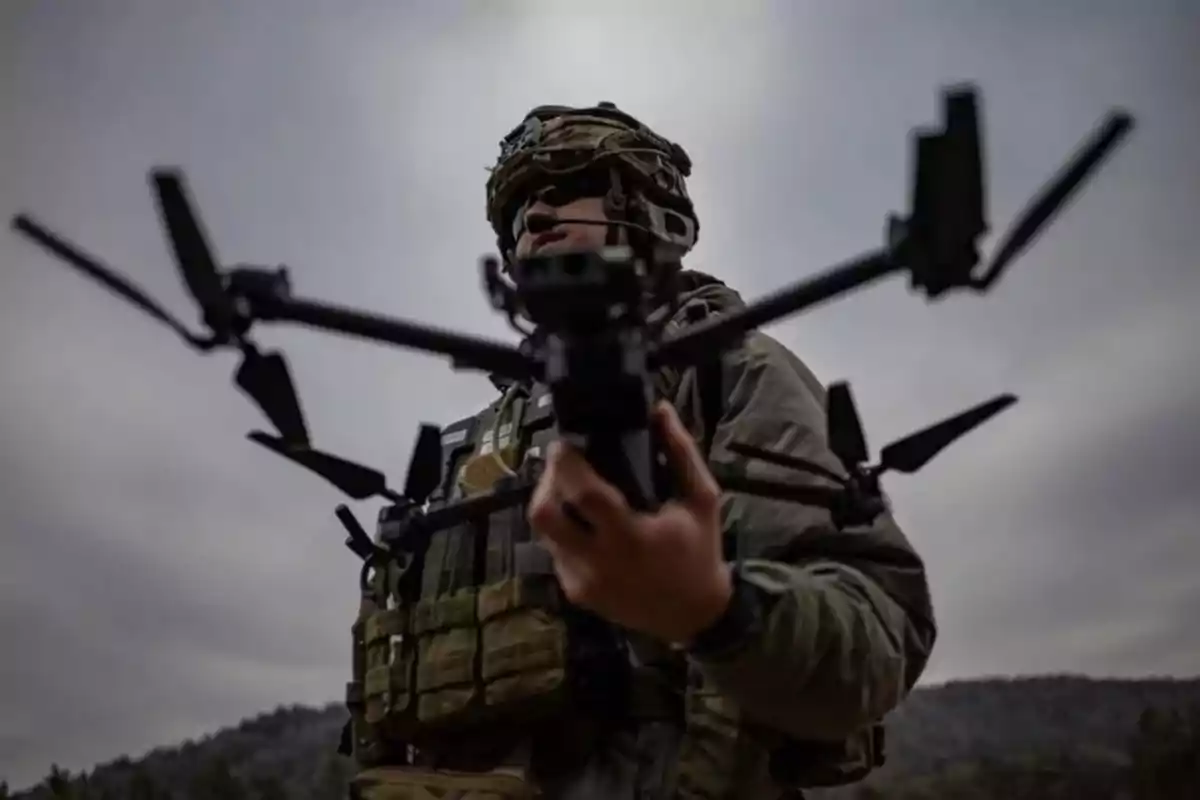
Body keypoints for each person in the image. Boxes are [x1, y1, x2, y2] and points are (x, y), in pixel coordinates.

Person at [344, 102, 937, 800]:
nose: (534, 220)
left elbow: (876, 633)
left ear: (651, 208)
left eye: (567, 189)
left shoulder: (726, 374)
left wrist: (718, 609)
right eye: (517, 215)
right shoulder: (470, 442)